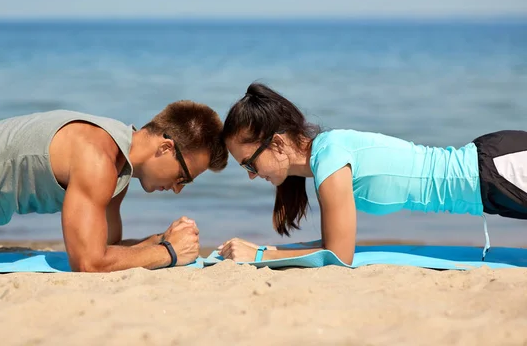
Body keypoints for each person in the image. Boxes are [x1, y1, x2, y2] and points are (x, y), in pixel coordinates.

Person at [217, 82, 527, 265]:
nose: (251, 176)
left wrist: (258, 256)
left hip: (496, 170)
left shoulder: (330, 157)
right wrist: (263, 249)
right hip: (491, 186)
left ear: (277, 144)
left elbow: (338, 256)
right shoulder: (326, 158)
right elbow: (332, 245)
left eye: (248, 164)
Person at [0, 102, 228, 272]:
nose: (178, 189)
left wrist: (159, 239)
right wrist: (169, 252)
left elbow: (107, 247)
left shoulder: (117, 167)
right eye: (183, 177)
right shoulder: (97, 158)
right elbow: (89, 263)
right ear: (165, 148)